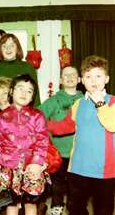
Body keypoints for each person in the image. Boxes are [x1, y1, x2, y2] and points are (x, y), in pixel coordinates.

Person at [47, 55, 115, 215]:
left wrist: (100, 103)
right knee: (75, 207)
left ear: (106, 79)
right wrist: (38, 124)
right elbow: (63, 127)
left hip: (105, 171)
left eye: (98, 76)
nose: (94, 80)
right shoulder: (79, 103)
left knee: (103, 209)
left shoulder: (112, 101)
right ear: (82, 81)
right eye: (88, 76)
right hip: (78, 168)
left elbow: (112, 124)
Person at [0, 74, 50, 215]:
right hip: (9, 167)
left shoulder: (37, 116)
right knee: (11, 203)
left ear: (33, 96)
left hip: (31, 166)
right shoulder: (2, 117)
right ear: (12, 91)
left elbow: (42, 141)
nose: (24, 93)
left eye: (29, 91)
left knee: (31, 203)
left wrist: (37, 163)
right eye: (20, 88)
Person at [39, 66, 83, 215]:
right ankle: (57, 205)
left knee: (75, 183)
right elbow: (38, 116)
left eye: (73, 74)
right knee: (57, 182)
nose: (70, 77)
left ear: (79, 80)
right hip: (57, 152)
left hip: (78, 152)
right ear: (60, 80)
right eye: (65, 75)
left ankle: (74, 206)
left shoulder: (85, 100)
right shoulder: (53, 100)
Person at [0, 33, 40, 115]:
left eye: (12, 45)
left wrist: (36, 116)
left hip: (24, 117)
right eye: (4, 46)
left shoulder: (28, 67)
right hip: (1, 116)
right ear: (0, 49)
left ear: (17, 48)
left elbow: (35, 95)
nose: (8, 49)